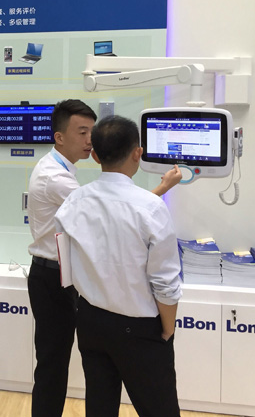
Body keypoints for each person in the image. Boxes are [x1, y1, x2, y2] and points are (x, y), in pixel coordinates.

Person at [26, 100, 180, 416]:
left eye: (91, 133)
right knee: (54, 365)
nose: (87, 140)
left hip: (91, 313)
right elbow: (164, 280)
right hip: (61, 282)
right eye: (82, 132)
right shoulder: (61, 182)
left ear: (97, 154)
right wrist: (167, 328)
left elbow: (107, 209)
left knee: (98, 397)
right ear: (137, 153)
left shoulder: (76, 193)